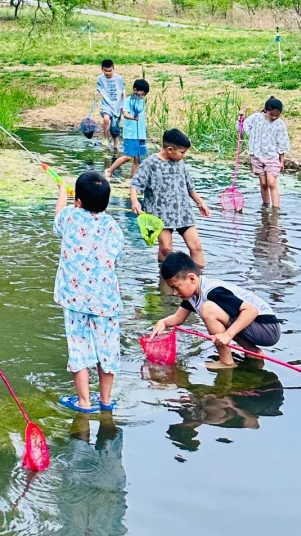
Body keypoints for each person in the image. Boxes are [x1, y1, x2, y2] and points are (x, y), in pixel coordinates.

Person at [54, 170, 125, 413]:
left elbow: (57, 219)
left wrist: (63, 190)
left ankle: (84, 401)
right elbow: (116, 256)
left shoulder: (70, 218)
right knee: (107, 350)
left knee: (79, 348)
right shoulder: (113, 227)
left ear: (79, 201)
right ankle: (105, 401)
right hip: (106, 302)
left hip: (75, 301)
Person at [149, 251, 281, 370]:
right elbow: (178, 318)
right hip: (257, 326)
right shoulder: (191, 295)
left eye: (177, 287)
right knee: (213, 312)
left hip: (266, 327)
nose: (175, 292)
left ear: (192, 278)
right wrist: (163, 322)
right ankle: (253, 352)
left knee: (208, 310)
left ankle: (226, 362)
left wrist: (227, 335)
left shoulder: (213, 292)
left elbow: (251, 311)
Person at [130, 128, 210, 268]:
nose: (184, 156)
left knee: (196, 246)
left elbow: (189, 186)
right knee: (166, 249)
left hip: (182, 212)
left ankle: (198, 280)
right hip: (160, 215)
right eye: (182, 152)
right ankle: (165, 281)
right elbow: (135, 184)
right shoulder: (150, 164)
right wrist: (134, 201)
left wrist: (200, 202)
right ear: (169, 149)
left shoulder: (180, 163)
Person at [242, 97, 290, 211]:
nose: (274, 118)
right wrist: (241, 118)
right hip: (257, 155)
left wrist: (281, 160)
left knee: (271, 182)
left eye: (276, 116)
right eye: (271, 115)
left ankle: (275, 210)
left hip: (272, 157)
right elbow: (243, 128)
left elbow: (282, 142)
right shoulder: (256, 118)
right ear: (265, 110)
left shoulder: (279, 124)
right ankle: (266, 206)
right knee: (263, 184)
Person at [108, 78, 149, 179]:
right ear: (135, 90)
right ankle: (109, 170)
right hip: (131, 134)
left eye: (144, 95)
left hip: (140, 134)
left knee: (138, 159)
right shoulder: (127, 101)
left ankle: (133, 179)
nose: (143, 96)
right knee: (128, 157)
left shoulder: (142, 101)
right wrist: (133, 118)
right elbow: (125, 114)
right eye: (141, 94)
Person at [96, 60, 125, 153]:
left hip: (117, 105)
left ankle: (116, 144)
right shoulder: (100, 78)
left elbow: (123, 91)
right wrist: (96, 93)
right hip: (106, 104)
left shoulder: (119, 78)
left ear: (113, 69)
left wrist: (124, 104)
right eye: (105, 71)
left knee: (114, 127)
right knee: (106, 119)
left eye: (110, 71)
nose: (108, 73)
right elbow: (98, 89)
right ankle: (105, 138)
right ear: (102, 69)